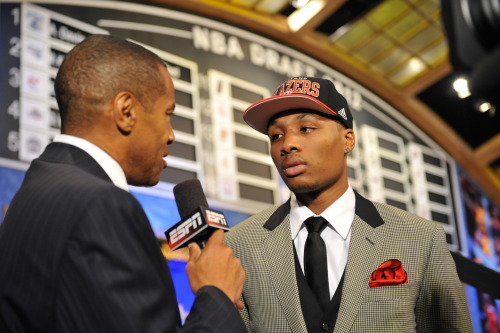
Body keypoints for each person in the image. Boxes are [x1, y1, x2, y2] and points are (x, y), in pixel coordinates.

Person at [0, 34, 245, 332]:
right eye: (168, 114)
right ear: (126, 111)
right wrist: (217, 293)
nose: (171, 135)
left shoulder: (37, 188)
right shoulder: (102, 205)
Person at [224, 77, 472, 332]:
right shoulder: (240, 245)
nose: (287, 144)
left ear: (348, 140)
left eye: (306, 128)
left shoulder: (419, 238)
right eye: (276, 136)